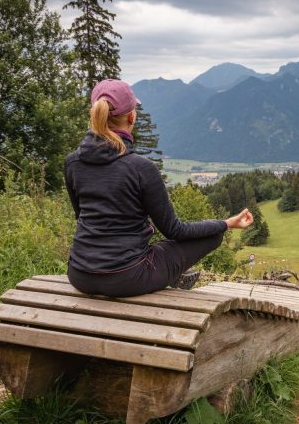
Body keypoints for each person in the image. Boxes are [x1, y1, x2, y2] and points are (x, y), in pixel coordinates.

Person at [64, 79, 253, 297]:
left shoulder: (72, 162)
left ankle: (170, 276)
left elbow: (82, 217)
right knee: (213, 235)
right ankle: (172, 278)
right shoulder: (141, 168)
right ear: (132, 116)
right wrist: (226, 224)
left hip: (79, 274)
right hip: (127, 278)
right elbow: (175, 230)